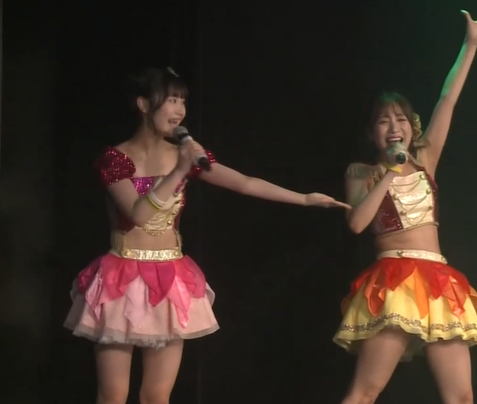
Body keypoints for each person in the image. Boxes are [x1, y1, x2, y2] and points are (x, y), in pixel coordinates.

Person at [63, 67, 350, 404]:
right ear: (143, 104)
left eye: (182, 101)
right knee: (113, 395)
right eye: (171, 100)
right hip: (121, 277)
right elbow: (139, 214)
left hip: (170, 277)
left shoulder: (182, 156)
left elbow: (245, 183)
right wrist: (180, 170)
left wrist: (303, 199)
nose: (179, 110)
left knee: (157, 395)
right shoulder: (115, 158)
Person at [333, 8, 477, 404]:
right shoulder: (362, 172)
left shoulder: (426, 159)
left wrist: (469, 45)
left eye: (401, 119)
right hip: (394, 280)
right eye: (383, 121)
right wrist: (389, 173)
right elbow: (356, 223)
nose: (394, 127)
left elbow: (448, 99)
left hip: (439, 281)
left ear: (413, 126)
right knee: (365, 391)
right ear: (372, 132)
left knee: (462, 396)